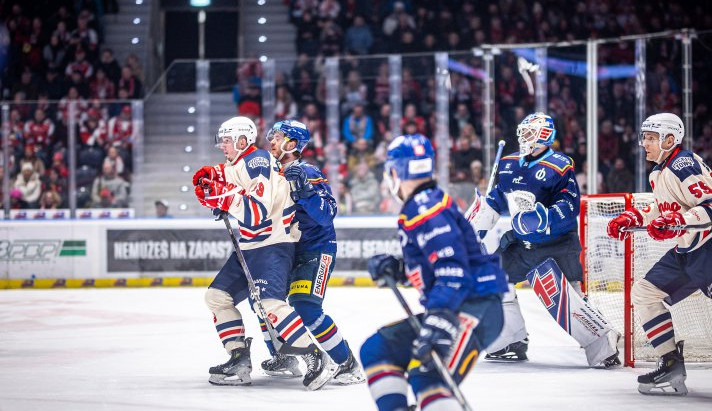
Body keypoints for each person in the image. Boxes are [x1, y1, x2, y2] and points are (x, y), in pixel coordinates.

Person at [360, 134, 508, 410]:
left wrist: (440, 318)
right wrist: (400, 268)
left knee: (427, 377)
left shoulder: (426, 209)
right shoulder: (426, 204)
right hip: (458, 304)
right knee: (378, 349)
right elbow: (441, 264)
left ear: (396, 170)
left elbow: (453, 272)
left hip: (475, 306)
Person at [192, 116, 337, 390]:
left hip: (271, 244)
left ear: (241, 140)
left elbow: (257, 213)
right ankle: (238, 359)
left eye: (226, 140)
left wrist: (222, 198)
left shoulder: (256, 161)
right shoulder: (240, 163)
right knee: (217, 297)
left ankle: (316, 356)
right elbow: (234, 185)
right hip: (249, 246)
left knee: (269, 304)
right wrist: (215, 184)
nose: (221, 145)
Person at [469, 112, 621, 367]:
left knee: (565, 300)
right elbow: (496, 199)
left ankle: (604, 343)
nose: (522, 137)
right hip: (521, 246)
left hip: (557, 246)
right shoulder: (508, 163)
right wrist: (479, 218)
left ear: (545, 136)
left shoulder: (560, 165)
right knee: (491, 279)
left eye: (529, 133)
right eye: (522, 132)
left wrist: (543, 218)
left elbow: (569, 206)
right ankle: (510, 340)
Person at [606, 113, 712, 395]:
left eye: (651, 138)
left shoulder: (683, 163)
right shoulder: (659, 171)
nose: (645, 144)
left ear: (670, 139)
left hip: (709, 250)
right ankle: (670, 362)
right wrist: (634, 217)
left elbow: (710, 206)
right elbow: (664, 211)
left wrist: (679, 222)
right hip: (688, 253)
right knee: (644, 292)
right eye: (644, 137)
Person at [260, 119, 365, 384]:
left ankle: (347, 363)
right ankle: (284, 355)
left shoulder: (306, 171)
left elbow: (327, 215)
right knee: (264, 301)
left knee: (305, 305)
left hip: (315, 249)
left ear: (292, 144)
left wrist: (306, 192)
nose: (271, 140)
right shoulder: (269, 173)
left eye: (278, 136)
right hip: (285, 249)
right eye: (271, 135)